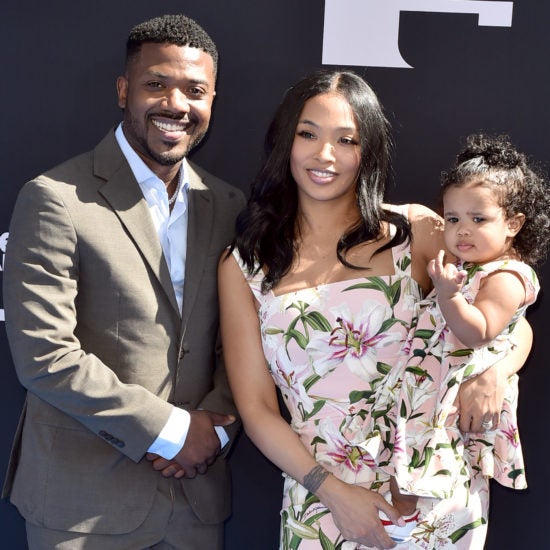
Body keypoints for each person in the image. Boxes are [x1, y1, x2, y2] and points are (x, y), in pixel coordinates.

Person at [218, 69, 532, 549]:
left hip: (432, 494)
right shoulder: (245, 265)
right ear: (285, 141)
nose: (325, 155)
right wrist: (333, 493)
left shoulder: (417, 232)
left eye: (346, 140)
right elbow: (257, 409)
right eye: (308, 134)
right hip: (322, 502)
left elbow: (508, 316)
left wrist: (496, 372)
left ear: (368, 152)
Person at [2, 14, 245, 549]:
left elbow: (241, 343)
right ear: (122, 90)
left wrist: (215, 428)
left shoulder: (228, 205)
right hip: (81, 507)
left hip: (195, 505)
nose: (175, 105)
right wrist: (173, 432)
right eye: (156, 84)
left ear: (212, 101)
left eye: (195, 91)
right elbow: (44, 355)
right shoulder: (56, 198)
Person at [380, 133, 550, 526]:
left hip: (454, 396)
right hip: (428, 388)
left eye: (479, 219)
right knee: (405, 464)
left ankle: (410, 524)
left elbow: (479, 331)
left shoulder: (508, 275)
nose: (463, 230)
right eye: (453, 219)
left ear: (513, 224)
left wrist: (449, 295)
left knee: (427, 470)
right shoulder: (465, 269)